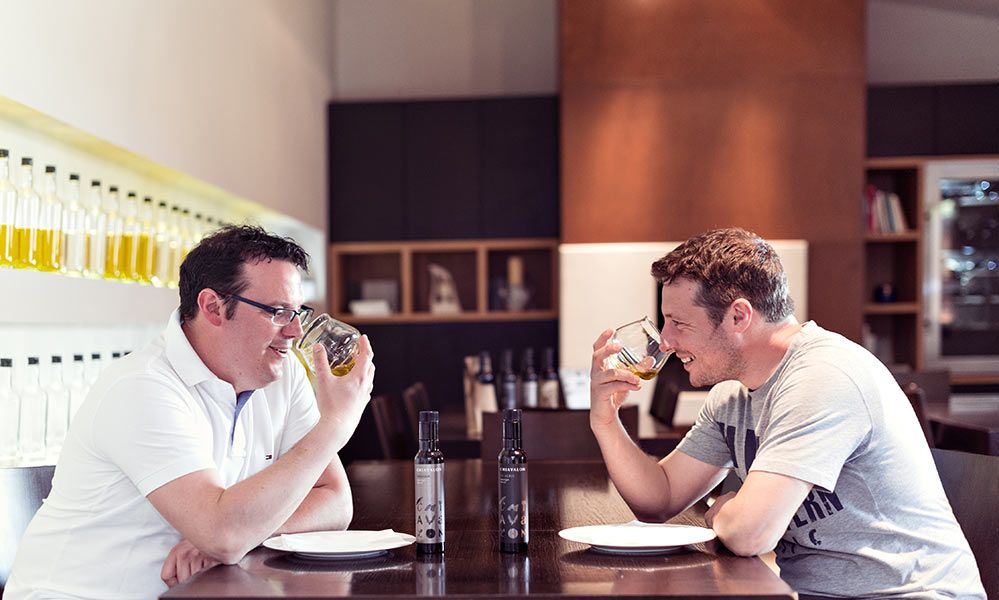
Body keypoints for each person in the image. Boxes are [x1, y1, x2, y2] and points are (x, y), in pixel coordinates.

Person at [589, 228, 985, 599]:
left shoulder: (823, 376)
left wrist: (723, 510)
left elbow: (749, 535)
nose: (668, 341)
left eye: (678, 322)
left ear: (739, 316)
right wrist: (606, 422)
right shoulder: (732, 395)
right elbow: (659, 499)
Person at [6, 225, 375, 599]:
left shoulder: (283, 372)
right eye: (278, 312)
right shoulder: (141, 386)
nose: (295, 331)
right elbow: (225, 534)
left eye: (297, 312)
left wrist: (236, 536)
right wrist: (335, 425)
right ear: (213, 307)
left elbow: (335, 501)